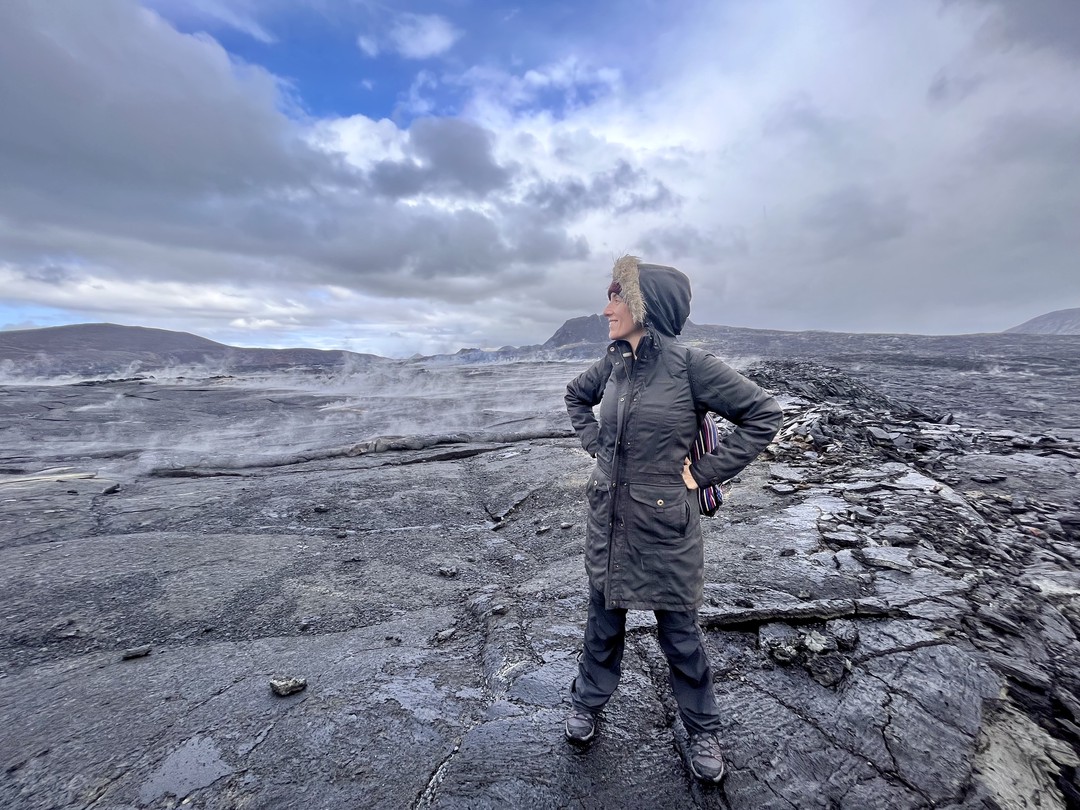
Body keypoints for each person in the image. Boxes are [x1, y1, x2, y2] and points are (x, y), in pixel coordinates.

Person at [563, 255, 783, 783]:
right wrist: (600, 450)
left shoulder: (691, 366)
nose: (606, 308)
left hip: (665, 528)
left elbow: (763, 415)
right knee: (602, 620)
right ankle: (588, 704)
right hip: (610, 521)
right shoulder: (615, 361)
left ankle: (703, 729)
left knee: (680, 633)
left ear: (645, 305)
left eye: (615, 297)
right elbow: (576, 396)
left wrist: (702, 474)